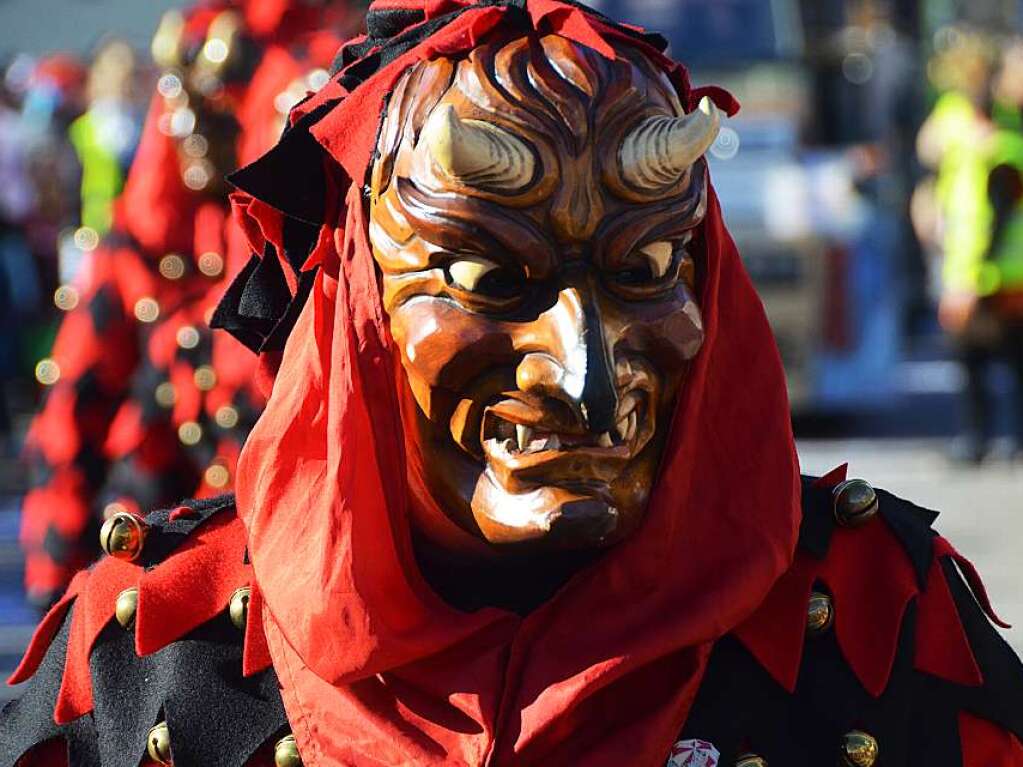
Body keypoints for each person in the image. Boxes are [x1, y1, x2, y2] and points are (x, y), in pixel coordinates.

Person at [3, 2, 1023, 765]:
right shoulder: (153, 651)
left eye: (645, 271)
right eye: (490, 278)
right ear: (360, 302)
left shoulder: (875, 619)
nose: (585, 373)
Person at [17, 0, 353, 609]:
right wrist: (56, 576)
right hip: (180, 535)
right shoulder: (157, 230)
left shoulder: (325, 58)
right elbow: (84, 380)